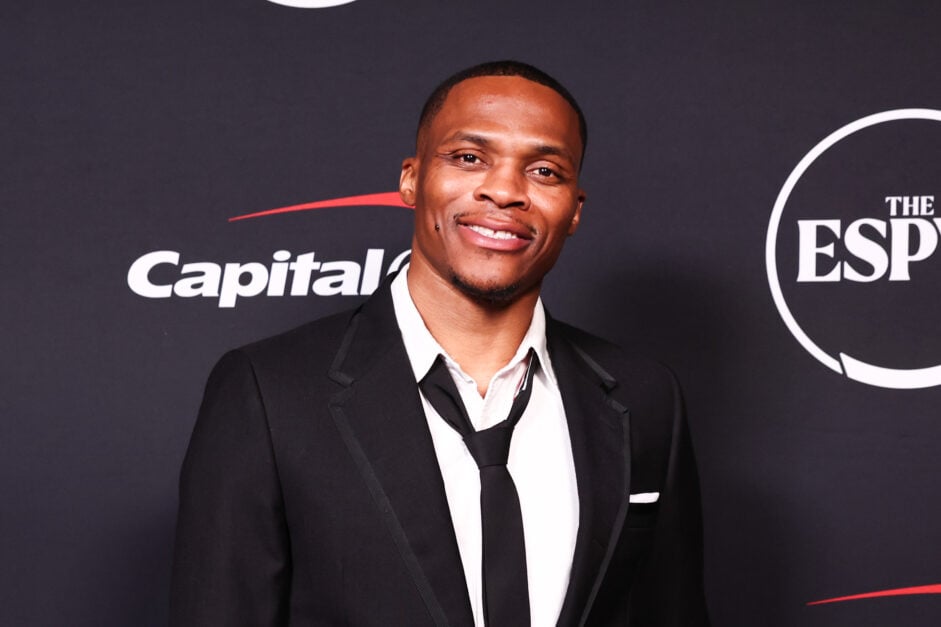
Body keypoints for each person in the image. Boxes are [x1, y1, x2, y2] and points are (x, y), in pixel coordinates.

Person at [170, 60, 709, 627]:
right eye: (469, 157)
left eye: (545, 170)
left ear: (573, 209)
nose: (504, 190)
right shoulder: (267, 391)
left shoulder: (646, 398)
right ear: (411, 178)